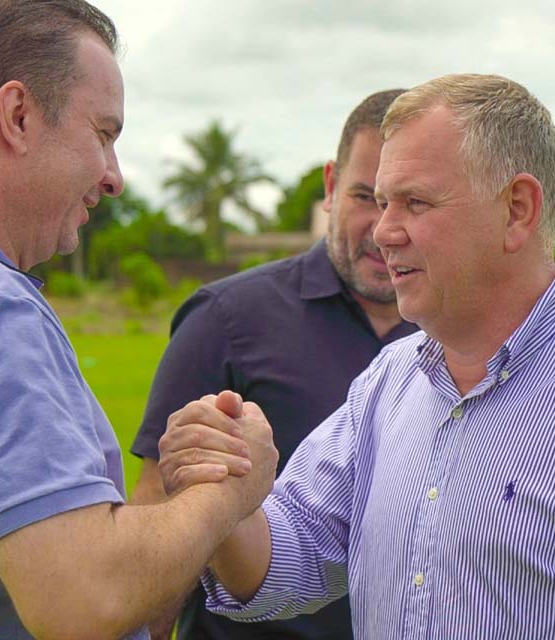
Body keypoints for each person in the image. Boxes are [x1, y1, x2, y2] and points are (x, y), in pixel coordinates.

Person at [159, 74, 555, 638]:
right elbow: (290, 560)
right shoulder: (388, 385)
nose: (383, 231)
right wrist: (230, 494)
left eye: (415, 204)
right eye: (379, 201)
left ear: (517, 211)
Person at [0, 2, 276, 639]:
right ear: (18, 115)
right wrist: (228, 489)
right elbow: (83, 596)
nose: (113, 177)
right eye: (103, 134)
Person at [130, 89, 418, 639]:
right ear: (331, 187)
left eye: (410, 203)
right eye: (367, 197)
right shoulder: (226, 318)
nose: (384, 230)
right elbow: (157, 518)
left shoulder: (456, 338)